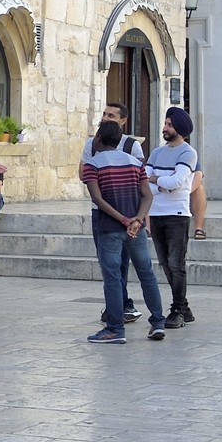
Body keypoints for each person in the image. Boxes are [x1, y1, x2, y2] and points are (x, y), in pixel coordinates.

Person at [82, 120, 165, 343]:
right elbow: (147, 195)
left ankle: (115, 329)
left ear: (98, 138)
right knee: (146, 273)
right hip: (136, 230)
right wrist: (137, 219)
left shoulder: (93, 164)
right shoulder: (135, 163)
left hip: (110, 229)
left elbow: (97, 199)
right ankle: (158, 322)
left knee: (113, 278)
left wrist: (123, 219)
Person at [81, 101, 146, 322]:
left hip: (127, 211)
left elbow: (140, 180)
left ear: (123, 121)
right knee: (107, 261)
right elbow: (83, 173)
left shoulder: (131, 146)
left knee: (123, 261)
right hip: (100, 212)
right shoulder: (92, 143)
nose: (106, 118)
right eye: (105, 114)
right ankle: (117, 306)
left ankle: (122, 307)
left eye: (112, 116)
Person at [147, 107, 199, 328]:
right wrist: (162, 183)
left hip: (177, 215)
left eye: (169, 124)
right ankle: (184, 307)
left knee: (176, 264)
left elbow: (177, 183)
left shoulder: (188, 153)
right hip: (156, 213)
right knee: (165, 264)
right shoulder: (157, 152)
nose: (164, 128)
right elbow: (145, 181)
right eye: (165, 123)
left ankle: (177, 310)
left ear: (181, 128)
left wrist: (156, 180)